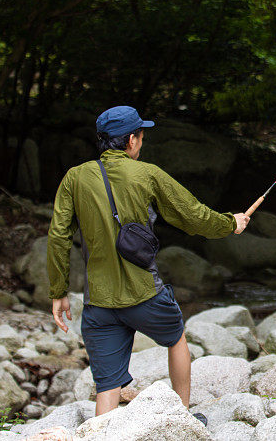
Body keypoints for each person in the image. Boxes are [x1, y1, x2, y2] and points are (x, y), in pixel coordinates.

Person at [46, 106, 249, 421]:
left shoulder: (75, 178)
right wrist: (230, 224)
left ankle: (101, 432)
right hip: (145, 294)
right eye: (140, 136)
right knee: (176, 336)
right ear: (130, 141)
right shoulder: (147, 173)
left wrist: (58, 292)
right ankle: (182, 415)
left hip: (98, 303)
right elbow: (192, 216)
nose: (141, 142)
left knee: (108, 386)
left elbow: (58, 236)